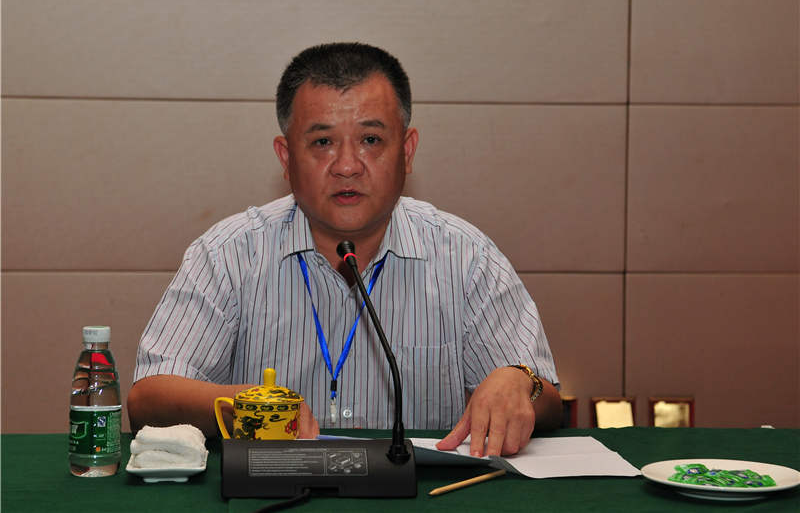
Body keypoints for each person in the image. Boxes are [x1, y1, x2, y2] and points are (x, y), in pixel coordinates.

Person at [127, 42, 561, 457]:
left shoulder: (466, 257)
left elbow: (547, 400)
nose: (347, 166)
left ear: (407, 151)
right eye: (322, 142)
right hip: (273, 487)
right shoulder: (229, 254)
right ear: (286, 158)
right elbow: (148, 398)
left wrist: (519, 381)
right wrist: (245, 405)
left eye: (371, 140)